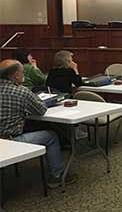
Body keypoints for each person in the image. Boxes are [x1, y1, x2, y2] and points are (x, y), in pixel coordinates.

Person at [0, 59, 77, 188]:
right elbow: (41, 110)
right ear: (15, 76)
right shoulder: (21, 92)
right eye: (22, 72)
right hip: (10, 140)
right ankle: (56, 176)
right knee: (51, 136)